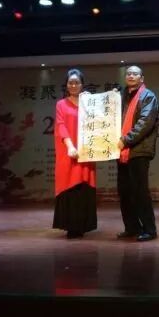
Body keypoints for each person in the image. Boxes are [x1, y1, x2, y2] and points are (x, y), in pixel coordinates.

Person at [116, 65, 159, 242]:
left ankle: (149, 229)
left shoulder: (148, 96)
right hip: (122, 151)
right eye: (128, 73)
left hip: (139, 149)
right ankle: (132, 227)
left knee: (140, 191)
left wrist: (126, 140)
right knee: (125, 191)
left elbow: (145, 123)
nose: (131, 76)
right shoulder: (121, 96)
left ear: (142, 78)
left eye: (135, 73)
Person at [52, 69, 97, 238]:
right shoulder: (61, 104)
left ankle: (83, 224)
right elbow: (61, 126)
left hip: (86, 150)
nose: (73, 85)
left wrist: (95, 101)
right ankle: (71, 226)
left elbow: (102, 118)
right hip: (68, 151)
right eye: (70, 82)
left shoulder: (89, 103)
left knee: (84, 185)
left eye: (77, 82)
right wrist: (70, 146)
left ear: (82, 84)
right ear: (66, 85)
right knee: (69, 184)